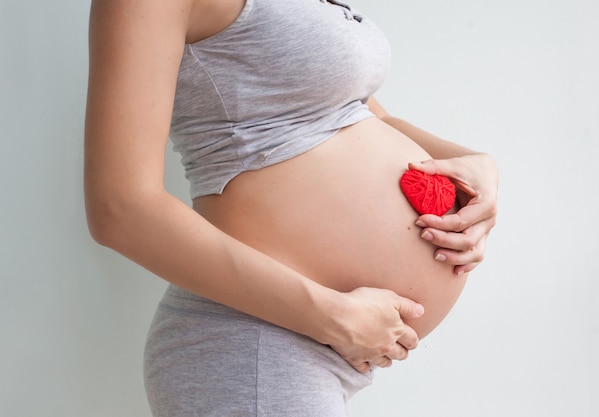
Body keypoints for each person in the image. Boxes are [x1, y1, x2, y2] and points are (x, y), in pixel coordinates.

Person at [84, 0, 498, 415]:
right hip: (254, 342)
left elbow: (354, 113)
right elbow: (120, 208)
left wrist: (477, 166)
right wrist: (331, 315)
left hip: (309, 347)